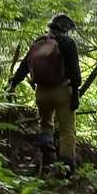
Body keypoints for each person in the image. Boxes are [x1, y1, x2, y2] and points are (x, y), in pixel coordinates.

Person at [7, 14, 81, 173]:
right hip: (62, 92)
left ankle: (47, 160)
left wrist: (13, 83)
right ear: (66, 29)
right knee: (67, 131)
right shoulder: (68, 43)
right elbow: (75, 73)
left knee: (45, 125)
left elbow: (24, 66)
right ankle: (65, 170)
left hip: (41, 93)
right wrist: (75, 93)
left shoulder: (39, 43)